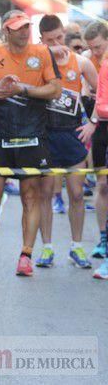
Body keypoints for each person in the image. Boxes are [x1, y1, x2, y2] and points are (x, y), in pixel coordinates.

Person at [0, 10, 61, 276]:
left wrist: (22, 88)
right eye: (18, 28)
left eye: (27, 27)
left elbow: (55, 90)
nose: (24, 32)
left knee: (30, 196)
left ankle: (26, 255)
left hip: (32, 133)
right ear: (7, 31)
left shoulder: (43, 53)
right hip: (0, 134)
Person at [36, 14, 98, 269]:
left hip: (72, 136)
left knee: (75, 193)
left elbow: (103, 93)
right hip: (46, 136)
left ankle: (77, 246)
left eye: (60, 37)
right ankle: (47, 248)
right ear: (42, 40)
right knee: (46, 193)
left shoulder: (81, 62)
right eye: (50, 40)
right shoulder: (36, 63)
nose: (57, 43)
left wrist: (92, 123)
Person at [84, 21, 108, 260]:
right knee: (102, 186)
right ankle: (103, 239)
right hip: (101, 126)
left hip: (100, 120)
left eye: (99, 47)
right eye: (91, 48)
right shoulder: (88, 60)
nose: (95, 52)